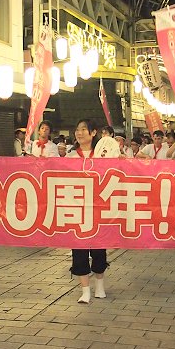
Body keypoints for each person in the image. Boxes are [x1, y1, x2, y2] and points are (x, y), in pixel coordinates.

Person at [66, 119, 116, 303]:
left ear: (94, 132)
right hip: (77, 211)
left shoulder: (104, 154)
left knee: (99, 250)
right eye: (77, 130)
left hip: (99, 210)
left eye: (83, 129)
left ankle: (100, 286)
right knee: (79, 252)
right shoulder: (70, 157)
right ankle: (85, 290)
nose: (79, 133)